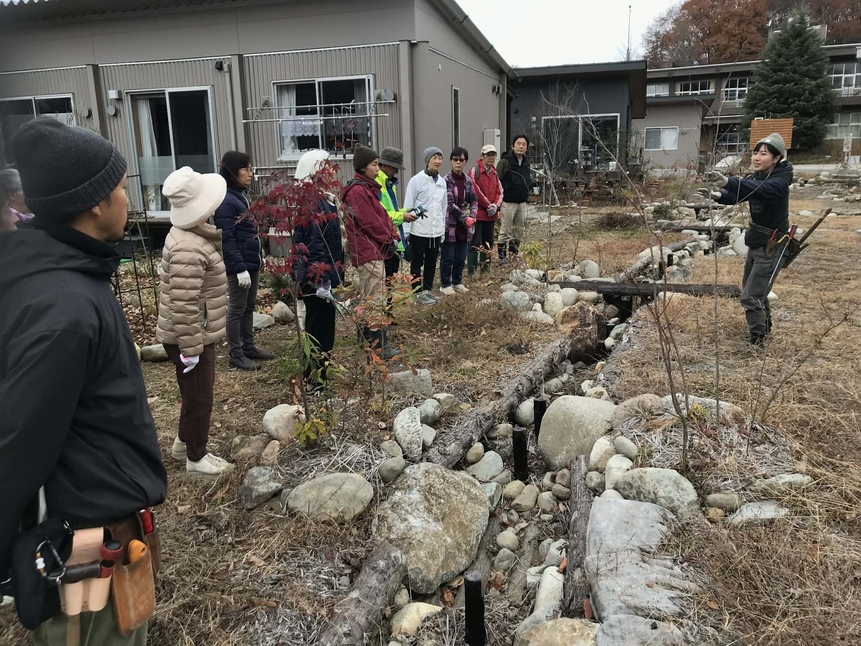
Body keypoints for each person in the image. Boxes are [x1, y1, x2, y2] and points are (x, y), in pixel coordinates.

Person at [0, 119, 166, 643]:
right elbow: (19, 441)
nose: (127, 198)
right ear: (95, 202)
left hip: (102, 525)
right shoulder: (64, 309)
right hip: (83, 550)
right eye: (121, 187)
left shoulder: (69, 279)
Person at [157, 166, 234, 477]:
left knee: (193, 393)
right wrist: (191, 349)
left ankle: (183, 443)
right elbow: (185, 303)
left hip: (192, 332)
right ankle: (196, 458)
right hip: (191, 336)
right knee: (200, 396)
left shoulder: (190, 235)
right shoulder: (189, 247)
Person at [699, 133, 794, 346]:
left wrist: (729, 181)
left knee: (751, 295)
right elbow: (742, 193)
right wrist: (718, 195)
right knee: (754, 290)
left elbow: (759, 190)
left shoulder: (780, 181)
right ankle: (764, 328)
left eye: (764, 154)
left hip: (773, 244)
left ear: (776, 158)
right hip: (757, 240)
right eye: (756, 153)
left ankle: (757, 340)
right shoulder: (757, 177)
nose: (757, 157)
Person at [214, 151, 274, 371]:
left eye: (251, 169)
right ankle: (236, 354)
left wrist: (259, 257)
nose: (250, 174)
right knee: (237, 309)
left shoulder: (240, 196)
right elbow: (227, 238)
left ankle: (248, 347)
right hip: (239, 265)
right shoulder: (226, 201)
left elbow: (248, 232)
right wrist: (239, 268)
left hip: (250, 262)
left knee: (248, 307)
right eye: (245, 169)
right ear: (232, 171)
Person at [342, 144, 402, 359]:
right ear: (362, 167)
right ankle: (378, 344)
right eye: (374, 164)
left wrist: (393, 235)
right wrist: (388, 239)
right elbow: (371, 223)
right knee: (375, 297)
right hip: (368, 250)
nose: (378, 169)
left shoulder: (367, 189)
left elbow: (383, 217)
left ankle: (366, 338)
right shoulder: (358, 191)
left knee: (371, 295)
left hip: (374, 249)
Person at [292, 150, 345, 390]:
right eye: (326, 167)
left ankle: (320, 376)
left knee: (323, 329)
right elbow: (315, 246)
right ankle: (314, 380)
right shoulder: (313, 203)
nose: (331, 171)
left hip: (322, 278)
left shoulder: (321, 198)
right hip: (316, 280)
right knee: (318, 330)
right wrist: (322, 280)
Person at [403, 147, 447, 304]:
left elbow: (443, 208)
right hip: (418, 230)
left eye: (440, 158)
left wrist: (442, 231)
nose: (437, 161)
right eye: (434, 158)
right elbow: (408, 206)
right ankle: (416, 293)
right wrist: (406, 232)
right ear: (427, 160)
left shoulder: (442, 182)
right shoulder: (416, 180)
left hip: (435, 231)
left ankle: (427, 290)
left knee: (431, 262)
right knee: (416, 262)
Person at [376, 147, 418, 303]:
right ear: (385, 165)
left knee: (391, 280)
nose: (397, 171)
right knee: (386, 281)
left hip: (392, 238)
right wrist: (402, 216)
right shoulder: (377, 184)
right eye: (395, 167)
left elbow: (390, 210)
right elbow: (380, 215)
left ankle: (389, 311)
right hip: (383, 241)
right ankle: (385, 311)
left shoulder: (389, 183)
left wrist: (405, 211)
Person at [440, 147, 477, 295]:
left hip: (465, 226)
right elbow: (449, 204)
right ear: (451, 161)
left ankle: (457, 282)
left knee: (461, 256)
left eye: (461, 160)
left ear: (465, 162)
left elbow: (474, 200)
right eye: (455, 159)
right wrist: (465, 218)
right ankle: (445, 283)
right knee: (448, 256)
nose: (458, 162)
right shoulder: (446, 181)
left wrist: (472, 217)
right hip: (450, 224)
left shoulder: (468, 181)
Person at [467, 144, 503, 275]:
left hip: (491, 215)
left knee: (488, 242)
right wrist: (489, 205)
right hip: (478, 214)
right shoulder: (474, 171)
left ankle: (485, 271)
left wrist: (496, 206)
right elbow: (475, 190)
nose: (491, 157)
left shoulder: (494, 173)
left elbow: (500, 191)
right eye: (488, 155)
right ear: (482, 156)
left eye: (493, 155)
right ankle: (471, 273)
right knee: (474, 243)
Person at [497, 134, 533, 262]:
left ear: (526, 148)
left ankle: (514, 255)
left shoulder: (526, 163)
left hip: (521, 202)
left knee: (518, 231)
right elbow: (497, 180)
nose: (521, 146)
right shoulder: (505, 161)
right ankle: (502, 257)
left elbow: (527, 180)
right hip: (507, 202)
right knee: (505, 230)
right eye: (518, 143)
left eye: (524, 144)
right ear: (513, 146)